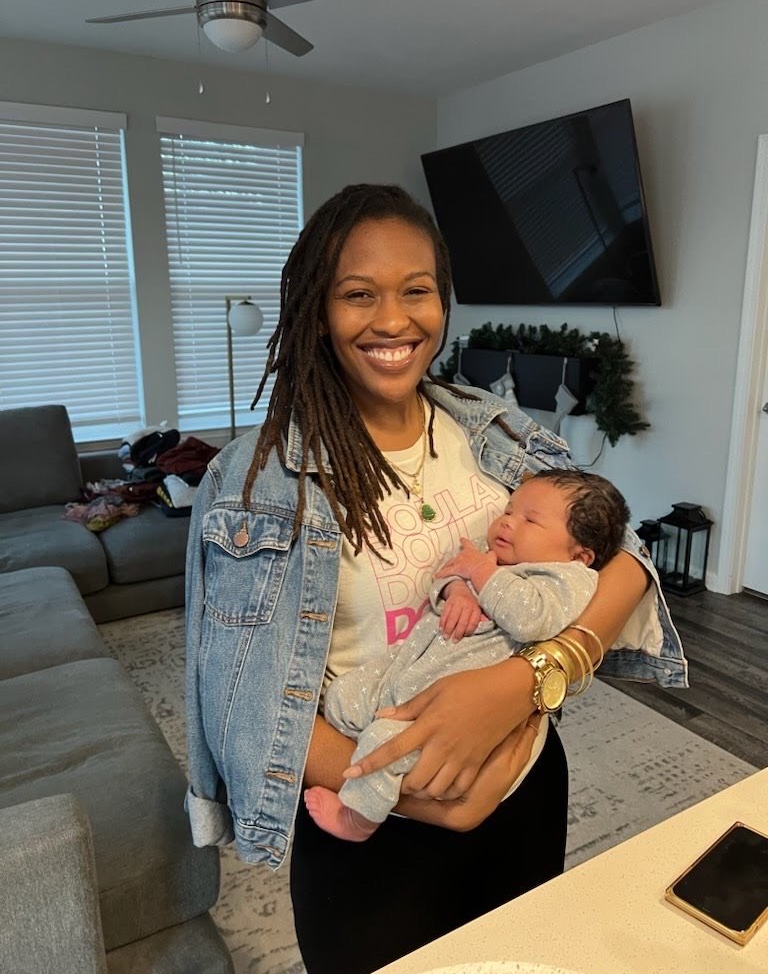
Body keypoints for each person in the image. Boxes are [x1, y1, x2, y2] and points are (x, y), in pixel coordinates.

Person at [184, 183, 688, 974]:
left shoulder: (498, 429)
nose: (394, 321)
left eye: (417, 291)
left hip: (524, 782)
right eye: (358, 295)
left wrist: (526, 681)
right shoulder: (252, 484)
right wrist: (423, 791)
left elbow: (627, 564)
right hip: (369, 824)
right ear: (318, 309)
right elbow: (239, 706)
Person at [305, 469, 629, 842]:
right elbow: (446, 572)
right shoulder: (489, 554)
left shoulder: (564, 578)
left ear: (579, 554)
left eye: (530, 520)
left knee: (386, 743)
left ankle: (359, 819)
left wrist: (482, 574)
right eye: (509, 509)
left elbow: (531, 619)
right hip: (410, 662)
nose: (507, 521)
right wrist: (456, 589)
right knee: (344, 695)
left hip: (447, 702)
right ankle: (366, 743)